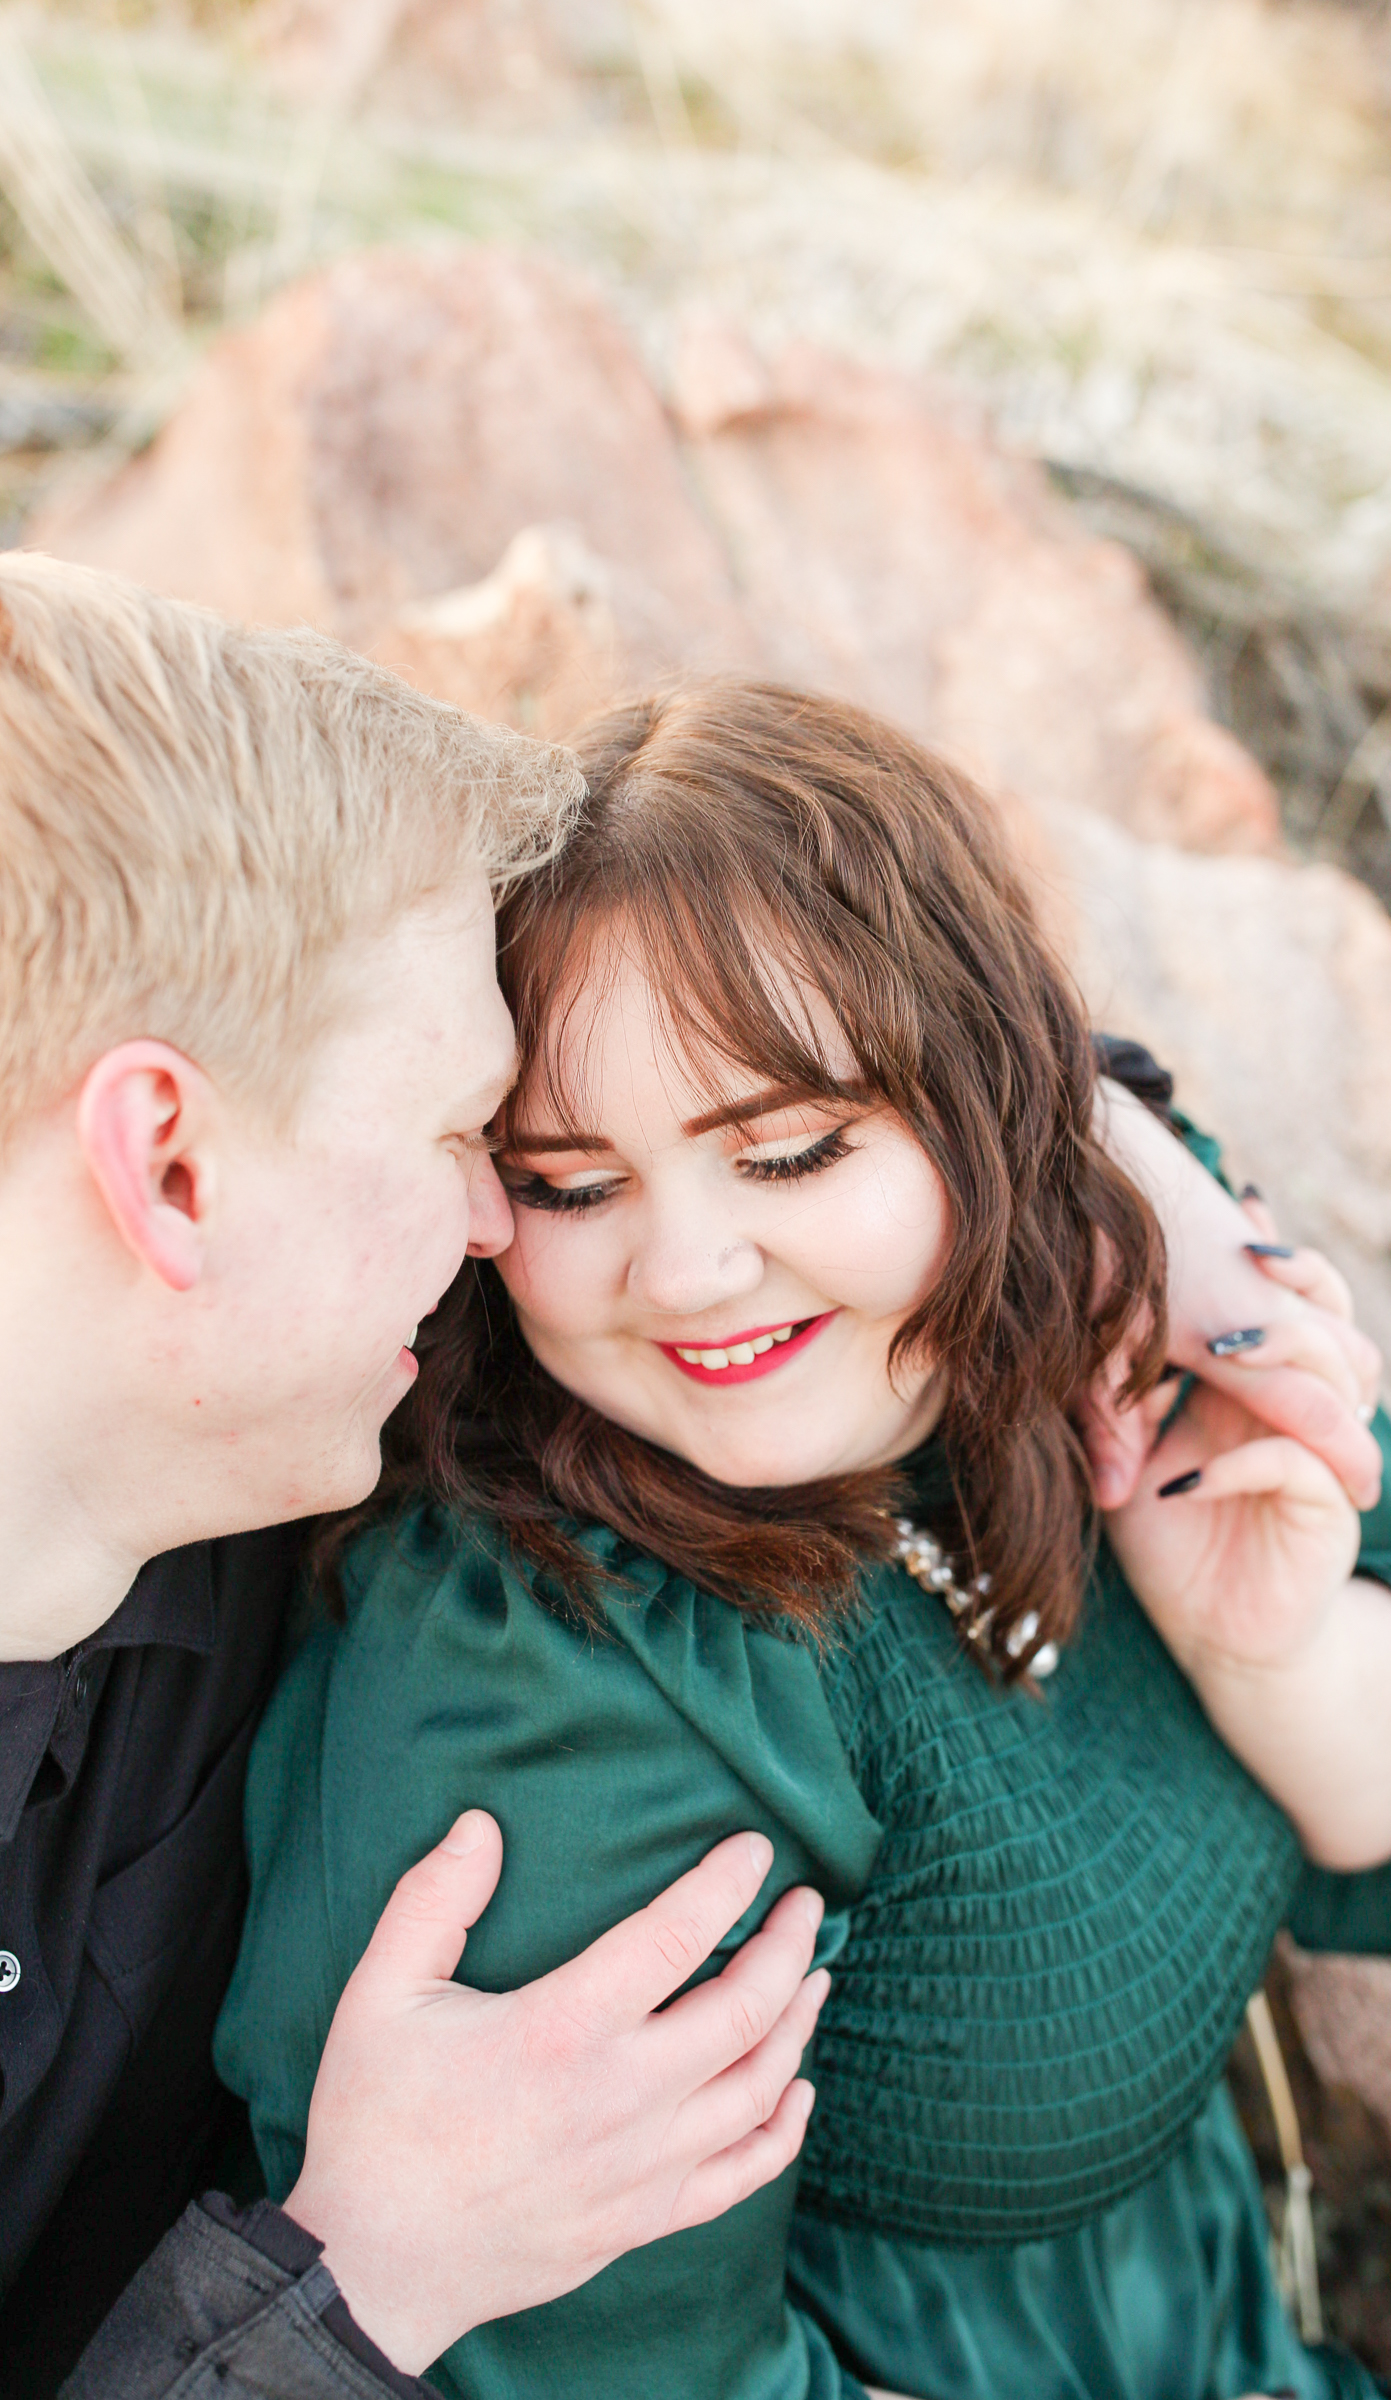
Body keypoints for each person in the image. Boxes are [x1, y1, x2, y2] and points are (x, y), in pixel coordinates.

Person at [218, 681, 1391, 2400]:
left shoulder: (1111, 1307)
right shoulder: (549, 1667)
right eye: (568, 1183)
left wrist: (1261, 1649)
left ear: (985, 1104)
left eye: (787, 1153)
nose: (689, 1271)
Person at [0, 560, 837, 2400]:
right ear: (173, 1166)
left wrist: (1113, 1165)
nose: (489, 1225)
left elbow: (785, 1091)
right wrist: (355, 2285)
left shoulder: (224, 1456)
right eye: (467, 1132)